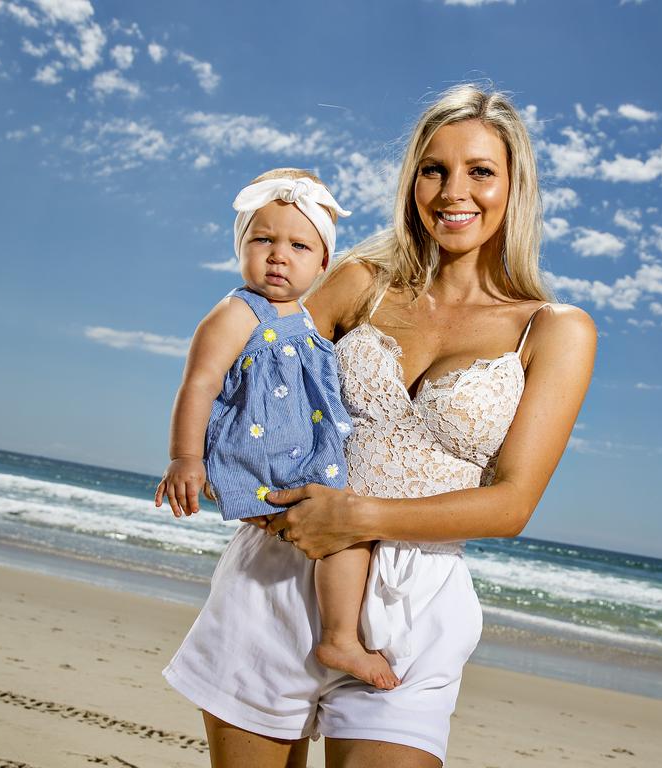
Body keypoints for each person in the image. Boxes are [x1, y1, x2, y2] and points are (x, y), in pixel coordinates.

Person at [161, 84, 596, 768]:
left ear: (514, 186)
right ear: (412, 181)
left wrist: (354, 517)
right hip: (278, 574)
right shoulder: (361, 280)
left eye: (480, 171)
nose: (455, 192)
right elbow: (252, 346)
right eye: (434, 169)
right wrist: (222, 463)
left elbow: (512, 504)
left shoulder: (554, 330)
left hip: (414, 606)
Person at [154, 168, 401, 691]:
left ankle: (332, 630)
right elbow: (198, 384)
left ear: (323, 263)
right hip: (262, 459)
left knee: (347, 530)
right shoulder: (236, 312)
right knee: (349, 536)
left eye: (299, 246)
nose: (278, 255)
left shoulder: (309, 319)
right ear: (240, 246)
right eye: (262, 239)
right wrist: (185, 459)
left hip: (300, 456)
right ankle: (339, 638)